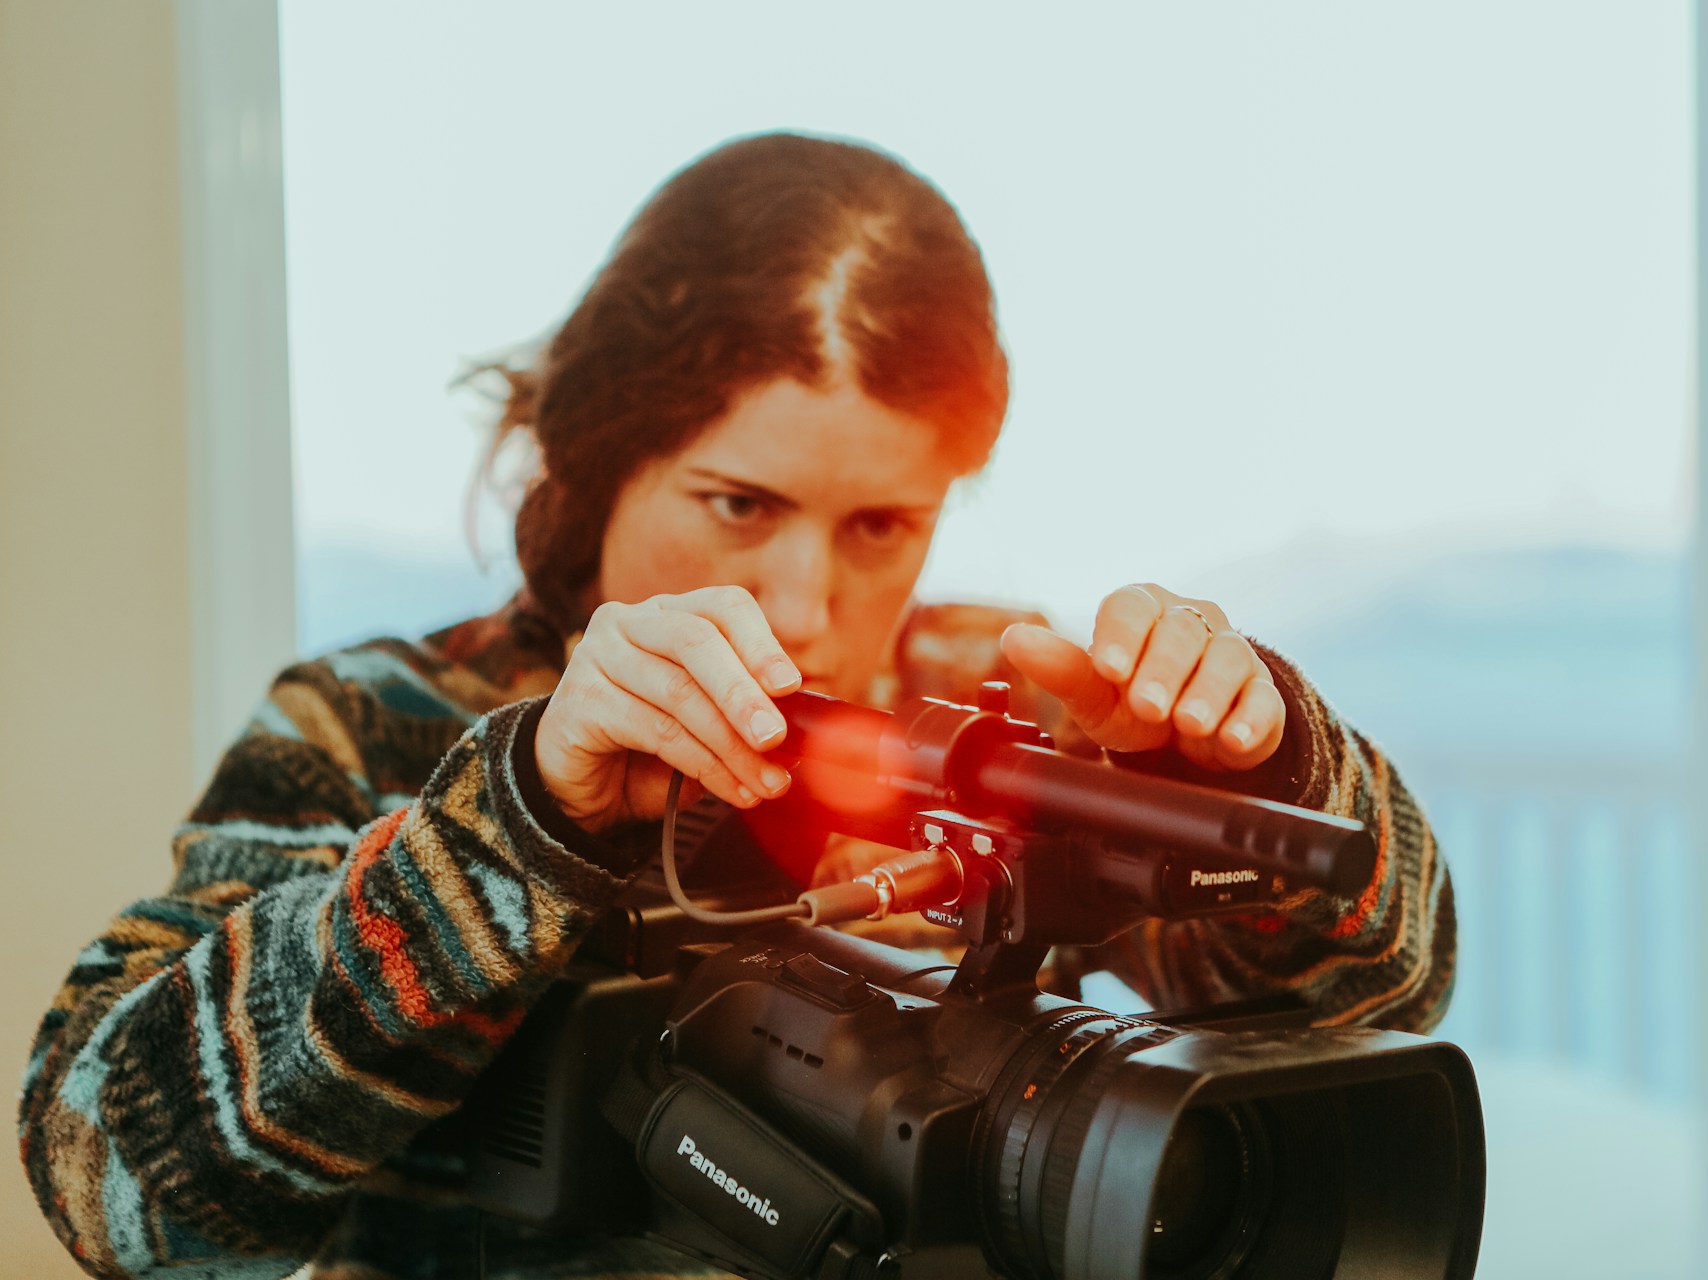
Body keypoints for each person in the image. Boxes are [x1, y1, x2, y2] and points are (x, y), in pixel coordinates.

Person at [19, 132, 1455, 1280]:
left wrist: (1268, 773)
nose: (807, 607)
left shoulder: (989, 711)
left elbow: (1372, 1009)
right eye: (737, 502)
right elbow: (121, 1197)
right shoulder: (382, 723)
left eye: (882, 526)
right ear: (598, 457)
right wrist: (517, 829)